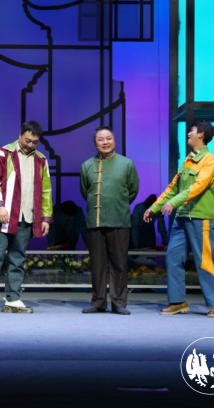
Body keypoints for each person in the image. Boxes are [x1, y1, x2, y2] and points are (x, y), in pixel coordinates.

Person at [145, 120, 214, 318]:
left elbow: (198, 186)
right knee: (173, 258)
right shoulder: (187, 160)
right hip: (181, 218)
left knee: (205, 260)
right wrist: (154, 208)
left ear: (201, 135)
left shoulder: (209, 160)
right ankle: (177, 302)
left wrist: (175, 202)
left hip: (201, 217)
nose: (189, 133)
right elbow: (173, 188)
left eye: (192, 130)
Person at [0, 120, 53, 315]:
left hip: (26, 216)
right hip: (3, 216)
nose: (30, 145)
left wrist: (45, 217)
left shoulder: (41, 160)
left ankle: (12, 299)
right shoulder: (3, 152)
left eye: (34, 142)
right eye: (27, 140)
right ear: (20, 134)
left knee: (18, 258)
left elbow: (46, 190)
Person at [80, 126, 139, 315]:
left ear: (114, 140)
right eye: (101, 139)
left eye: (109, 138)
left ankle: (119, 303)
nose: (105, 142)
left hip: (119, 220)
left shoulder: (126, 163)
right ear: (95, 143)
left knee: (119, 263)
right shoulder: (87, 165)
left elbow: (133, 190)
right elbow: (85, 191)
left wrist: (118, 204)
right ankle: (98, 302)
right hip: (95, 222)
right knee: (96, 264)